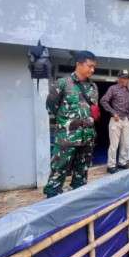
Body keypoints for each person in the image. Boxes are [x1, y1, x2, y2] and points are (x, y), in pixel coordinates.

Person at [44, 51, 98, 197]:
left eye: (94, 67)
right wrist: (66, 123)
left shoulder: (93, 87)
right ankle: (51, 200)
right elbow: (51, 106)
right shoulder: (62, 83)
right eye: (90, 66)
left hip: (87, 137)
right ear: (79, 64)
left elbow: (93, 110)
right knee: (59, 170)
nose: (92, 70)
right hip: (67, 138)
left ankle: (77, 198)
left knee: (82, 172)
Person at [100, 69, 129, 174]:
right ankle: (111, 165)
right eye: (123, 78)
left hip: (126, 120)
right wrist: (113, 112)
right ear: (119, 78)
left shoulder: (128, 92)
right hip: (116, 120)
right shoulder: (113, 88)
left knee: (126, 144)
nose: (125, 80)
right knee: (114, 145)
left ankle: (122, 162)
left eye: (127, 78)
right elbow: (103, 101)